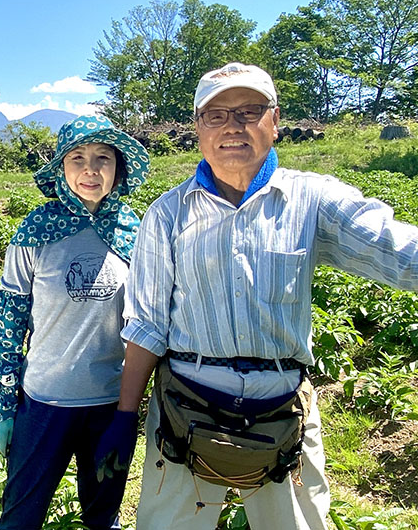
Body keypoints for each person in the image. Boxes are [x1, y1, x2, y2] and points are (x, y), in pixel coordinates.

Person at [93, 62, 418, 529]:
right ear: (199, 128)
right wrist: (125, 416)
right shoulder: (167, 215)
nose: (233, 126)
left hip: (282, 406)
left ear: (275, 121)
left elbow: (395, 248)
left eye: (249, 111)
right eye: (216, 115)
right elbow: (146, 324)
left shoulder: (312, 200)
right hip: (186, 405)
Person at [0, 114, 150, 530]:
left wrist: (133, 412)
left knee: (102, 517)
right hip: (43, 403)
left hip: (109, 406)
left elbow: (149, 321)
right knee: (20, 518)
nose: (90, 169)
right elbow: (8, 319)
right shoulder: (36, 231)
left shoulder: (134, 231)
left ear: (119, 168)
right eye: (78, 158)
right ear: (61, 168)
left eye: (103, 158)